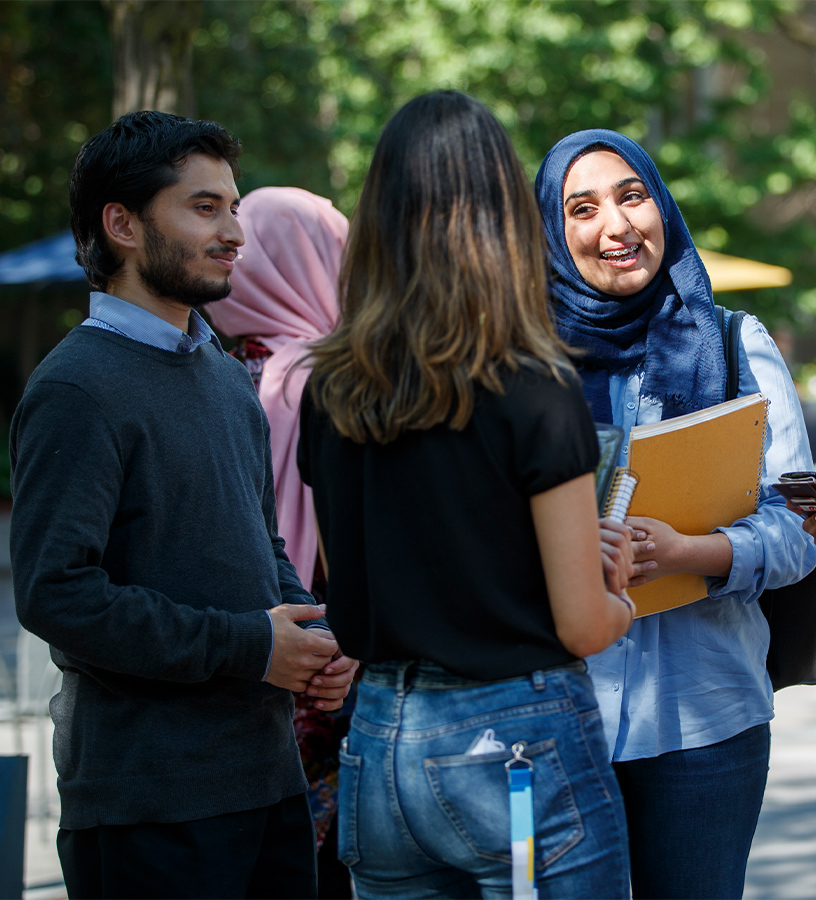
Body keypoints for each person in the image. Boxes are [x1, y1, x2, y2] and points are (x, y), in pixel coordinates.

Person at [8, 110, 357, 899]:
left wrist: (313, 635)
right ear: (122, 224)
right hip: (149, 805)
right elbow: (55, 592)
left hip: (267, 784)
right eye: (205, 207)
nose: (234, 230)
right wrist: (247, 647)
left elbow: (260, 544)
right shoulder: (75, 388)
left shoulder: (226, 374)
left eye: (233, 207)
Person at [297, 91, 635, 899]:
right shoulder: (534, 384)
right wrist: (615, 588)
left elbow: (353, 583)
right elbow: (584, 625)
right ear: (503, 217)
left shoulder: (330, 389)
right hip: (515, 738)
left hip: (378, 741)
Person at [534, 129, 816, 899]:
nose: (617, 226)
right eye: (582, 208)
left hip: (706, 725)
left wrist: (691, 551)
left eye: (632, 196)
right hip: (555, 722)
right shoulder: (518, 367)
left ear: (661, 204)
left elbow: (803, 528)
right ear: (552, 235)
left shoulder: (737, 347)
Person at [206, 186, 353, 898]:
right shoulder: (323, 379)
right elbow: (344, 553)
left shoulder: (224, 373)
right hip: (327, 671)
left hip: (244, 665)